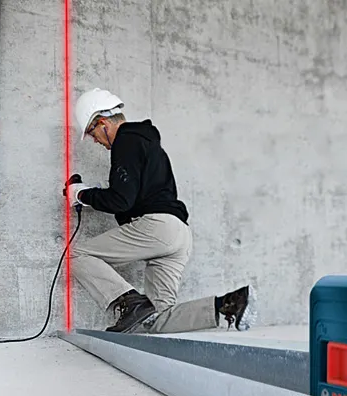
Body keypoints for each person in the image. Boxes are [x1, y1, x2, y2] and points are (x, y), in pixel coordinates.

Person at [65, 88, 255, 334]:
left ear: (102, 123)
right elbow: (129, 196)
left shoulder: (126, 139)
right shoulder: (146, 144)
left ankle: (130, 303)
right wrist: (95, 195)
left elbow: (120, 200)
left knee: (75, 255)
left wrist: (81, 194)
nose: (95, 141)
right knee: (158, 318)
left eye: (92, 133)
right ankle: (225, 305)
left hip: (158, 229)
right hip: (179, 235)